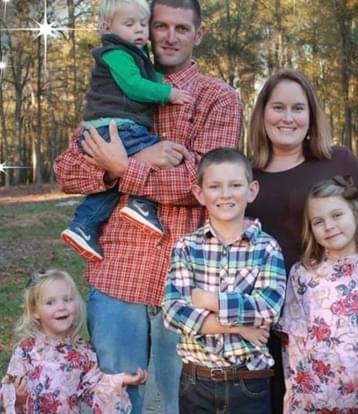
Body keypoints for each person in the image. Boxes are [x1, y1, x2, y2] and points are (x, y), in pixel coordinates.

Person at [53, 0, 243, 412]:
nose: (169, 37)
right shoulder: (115, 79)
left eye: (181, 28)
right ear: (146, 29)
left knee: (187, 404)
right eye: (161, 26)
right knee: (115, 400)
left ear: (198, 34)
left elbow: (203, 184)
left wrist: (123, 166)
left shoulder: (218, 98)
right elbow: (67, 170)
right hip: (118, 274)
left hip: (190, 282)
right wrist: (129, 163)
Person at [245, 68, 358, 414]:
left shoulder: (337, 160)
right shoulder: (246, 176)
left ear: (311, 115)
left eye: (298, 108)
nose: (288, 118)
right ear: (262, 113)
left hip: (335, 326)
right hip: (265, 324)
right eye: (278, 107)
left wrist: (336, 285)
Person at [61, 0, 193, 262]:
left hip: (113, 127)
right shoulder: (116, 54)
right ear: (106, 27)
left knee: (111, 186)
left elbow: (149, 77)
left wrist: (121, 166)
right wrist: (168, 93)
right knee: (163, 154)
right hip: (115, 127)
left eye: (143, 24)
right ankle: (140, 204)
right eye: (129, 24)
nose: (139, 30)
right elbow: (134, 85)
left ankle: (83, 226)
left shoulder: (134, 54)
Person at [162, 148, 286, 414]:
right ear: (199, 193)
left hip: (249, 381)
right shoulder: (186, 247)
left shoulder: (267, 248)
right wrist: (239, 328)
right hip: (196, 381)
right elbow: (173, 313)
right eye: (215, 186)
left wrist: (209, 300)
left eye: (235, 185)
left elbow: (268, 310)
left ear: (251, 190)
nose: (225, 194)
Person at [277, 177, 358, 412]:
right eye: (318, 221)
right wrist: (310, 392)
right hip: (314, 396)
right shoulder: (302, 274)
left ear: (357, 215)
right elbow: (294, 339)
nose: (328, 226)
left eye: (337, 215)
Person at [0, 269, 148, 414]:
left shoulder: (81, 350)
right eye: (50, 302)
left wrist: (121, 380)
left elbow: (93, 385)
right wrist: (17, 398)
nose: (61, 307)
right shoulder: (26, 350)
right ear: (35, 311)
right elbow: (7, 388)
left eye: (67, 299)